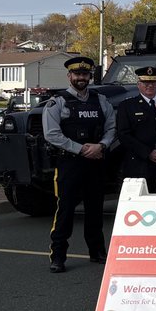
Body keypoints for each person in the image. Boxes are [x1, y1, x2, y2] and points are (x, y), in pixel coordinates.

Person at [42, 55, 116, 273]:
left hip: (95, 162)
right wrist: (82, 149)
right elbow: (52, 134)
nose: (81, 77)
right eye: (77, 74)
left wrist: (101, 145)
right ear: (69, 76)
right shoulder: (58, 102)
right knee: (65, 210)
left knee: (95, 209)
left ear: (89, 76)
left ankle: (97, 252)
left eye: (85, 74)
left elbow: (112, 127)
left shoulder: (101, 101)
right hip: (70, 163)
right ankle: (58, 256)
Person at [114, 66, 156, 193]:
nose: (150, 86)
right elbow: (124, 135)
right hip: (139, 164)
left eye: (153, 82)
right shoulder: (127, 106)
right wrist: (148, 152)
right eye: (146, 82)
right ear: (139, 84)